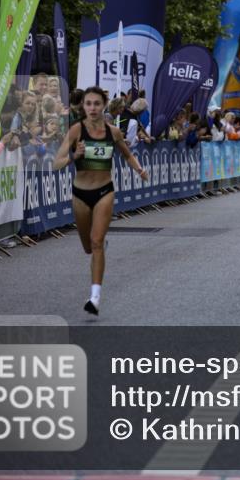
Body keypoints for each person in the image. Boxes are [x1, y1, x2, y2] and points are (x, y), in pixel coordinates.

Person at [52, 87, 148, 316]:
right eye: (88, 104)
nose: (92, 108)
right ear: (83, 106)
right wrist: (75, 156)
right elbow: (56, 163)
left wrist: (139, 169)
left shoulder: (113, 132)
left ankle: (94, 297)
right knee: (88, 247)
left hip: (105, 191)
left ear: (104, 105)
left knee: (96, 241)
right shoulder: (76, 130)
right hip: (80, 193)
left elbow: (127, 154)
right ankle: (98, 247)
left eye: (97, 104)